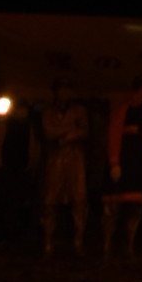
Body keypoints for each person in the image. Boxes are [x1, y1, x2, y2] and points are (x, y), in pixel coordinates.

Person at [100, 89, 142, 261]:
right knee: (113, 205)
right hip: (124, 159)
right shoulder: (123, 109)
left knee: (135, 205)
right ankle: (107, 243)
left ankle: (130, 244)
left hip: (139, 164)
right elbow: (114, 133)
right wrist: (114, 161)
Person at [38, 84, 92, 259]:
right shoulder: (48, 112)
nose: (64, 93)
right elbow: (48, 132)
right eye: (61, 89)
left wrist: (70, 135)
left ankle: (79, 242)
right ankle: (48, 242)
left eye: (67, 89)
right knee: (50, 200)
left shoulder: (80, 111)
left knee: (79, 199)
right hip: (55, 159)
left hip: (75, 159)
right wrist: (71, 130)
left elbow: (85, 131)